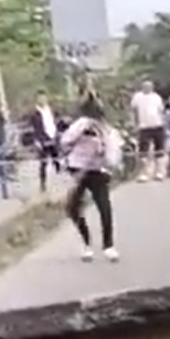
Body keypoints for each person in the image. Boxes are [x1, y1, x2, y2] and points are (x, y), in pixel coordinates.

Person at [61, 97, 121, 262]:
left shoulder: (108, 131)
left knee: (104, 207)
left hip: (98, 171)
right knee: (72, 207)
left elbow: (113, 157)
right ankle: (86, 243)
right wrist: (82, 131)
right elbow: (65, 141)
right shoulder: (80, 125)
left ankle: (108, 245)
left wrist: (104, 150)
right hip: (78, 170)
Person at [130, 79, 166, 181]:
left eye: (149, 86)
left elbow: (161, 111)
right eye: (145, 86)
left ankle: (159, 172)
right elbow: (133, 111)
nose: (147, 88)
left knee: (159, 150)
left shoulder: (157, 97)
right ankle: (144, 173)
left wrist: (164, 124)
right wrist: (134, 124)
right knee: (143, 151)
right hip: (144, 126)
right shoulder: (137, 97)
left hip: (157, 125)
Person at [26, 90, 61, 192]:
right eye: (39, 98)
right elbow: (33, 128)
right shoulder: (34, 113)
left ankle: (60, 180)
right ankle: (43, 184)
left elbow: (58, 122)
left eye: (43, 97)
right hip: (42, 139)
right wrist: (37, 140)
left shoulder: (52, 110)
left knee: (57, 159)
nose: (42, 100)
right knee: (43, 163)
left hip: (54, 137)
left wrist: (58, 134)